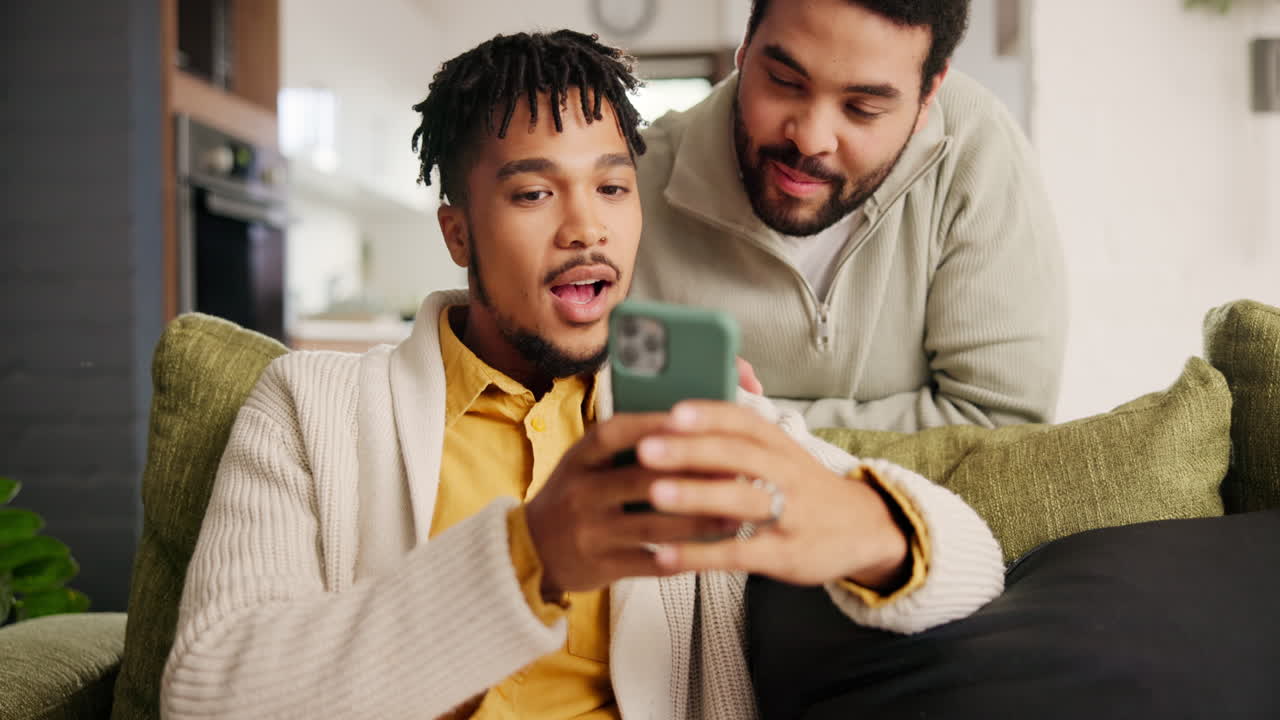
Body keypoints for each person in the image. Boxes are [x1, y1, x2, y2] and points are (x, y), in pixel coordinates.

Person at [160, 30, 1003, 720]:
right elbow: (208, 695)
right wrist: (533, 558)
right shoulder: (314, 408)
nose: (585, 228)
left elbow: (974, 561)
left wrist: (853, 521)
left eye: (613, 186)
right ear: (458, 234)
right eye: (533, 195)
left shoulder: (690, 413)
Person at [632, 0, 1067, 432]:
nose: (810, 139)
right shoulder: (628, 188)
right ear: (746, 47)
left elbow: (1000, 428)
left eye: (863, 109)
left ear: (927, 96)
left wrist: (747, 424)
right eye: (784, 82)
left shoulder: (976, 152)